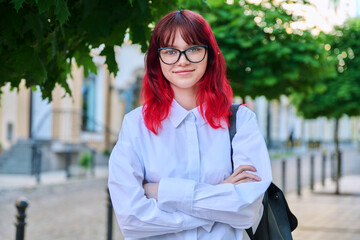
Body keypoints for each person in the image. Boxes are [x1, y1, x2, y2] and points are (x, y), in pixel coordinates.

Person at [108, 9, 272, 240]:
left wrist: (160, 191)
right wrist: (219, 195)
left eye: (193, 49)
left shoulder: (241, 121)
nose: (182, 60)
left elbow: (247, 211)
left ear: (210, 55)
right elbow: (132, 220)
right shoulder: (136, 124)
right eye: (170, 51)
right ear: (158, 59)